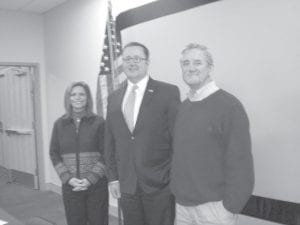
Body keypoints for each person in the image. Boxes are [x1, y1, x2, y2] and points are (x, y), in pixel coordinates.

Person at [171, 43, 254, 225]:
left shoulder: (229, 107)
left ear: (210, 67)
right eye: (186, 63)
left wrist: (229, 208)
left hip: (214, 210)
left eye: (198, 62)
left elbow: (241, 164)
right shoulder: (184, 107)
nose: (191, 68)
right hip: (182, 207)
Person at [105, 42, 180, 225]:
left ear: (147, 62)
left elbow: (177, 138)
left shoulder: (168, 92)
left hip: (160, 184)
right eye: (127, 58)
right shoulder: (114, 98)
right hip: (127, 184)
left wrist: (171, 175)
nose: (132, 63)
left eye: (137, 58)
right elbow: (110, 141)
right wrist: (113, 178)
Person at [49, 81, 108, 225]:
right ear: (68, 98)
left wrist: (90, 179)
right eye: (73, 94)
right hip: (71, 186)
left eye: (82, 94)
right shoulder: (59, 124)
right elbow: (54, 152)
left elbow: (107, 153)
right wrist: (68, 178)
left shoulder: (99, 122)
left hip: (96, 186)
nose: (78, 97)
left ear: (87, 97)